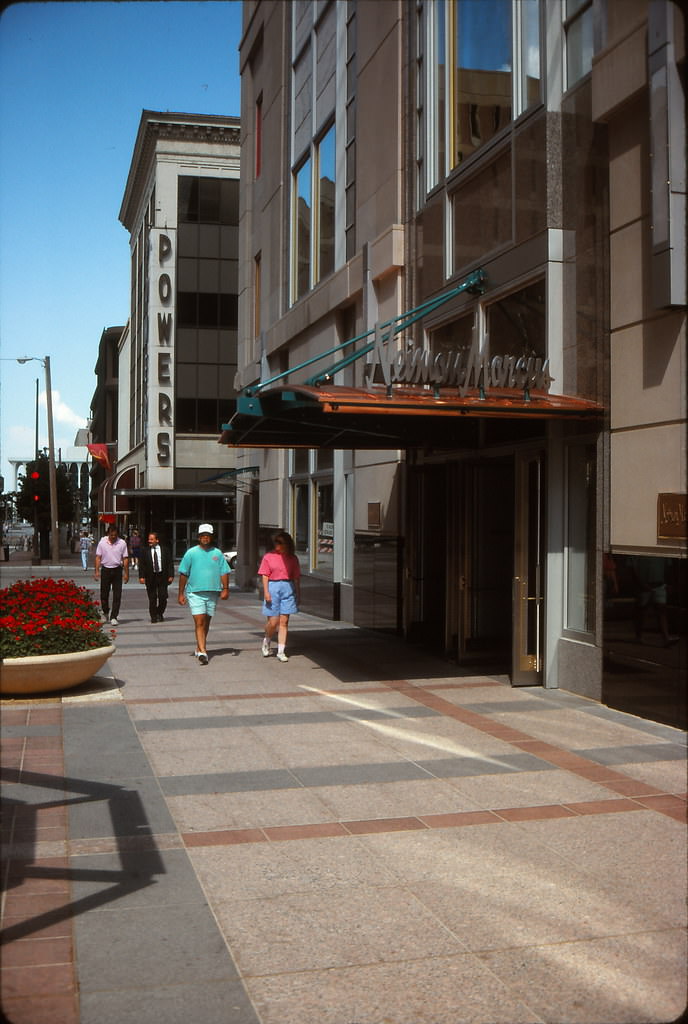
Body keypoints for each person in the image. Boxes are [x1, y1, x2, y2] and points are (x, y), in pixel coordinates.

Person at [177, 524, 230, 665]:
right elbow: (183, 573)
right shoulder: (191, 553)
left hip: (213, 592)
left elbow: (224, 571)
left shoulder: (217, 553)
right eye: (202, 535)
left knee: (206, 622)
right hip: (195, 592)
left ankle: (199, 647)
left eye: (208, 535)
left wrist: (226, 589)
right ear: (198, 537)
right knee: (199, 621)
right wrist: (180, 593)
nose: (205, 537)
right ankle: (203, 651)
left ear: (211, 537)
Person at [258, 530, 301, 662]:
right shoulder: (269, 557)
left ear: (287, 544)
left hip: (288, 588)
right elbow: (265, 575)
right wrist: (266, 592)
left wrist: (298, 594)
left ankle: (281, 651)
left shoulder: (293, 559)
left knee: (284, 621)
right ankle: (267, 639)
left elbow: (296, 578)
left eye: (280, 542)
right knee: (273, 621)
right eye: (276, 542)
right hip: (273, 587)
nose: (277, 545)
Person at [630, 555, 678, 647]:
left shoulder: (662, 550)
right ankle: (638, 636)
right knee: (641, 611)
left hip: (659, 584)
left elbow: (668, 566)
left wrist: (668, 583)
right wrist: (640, 583)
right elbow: (633, 568)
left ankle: (666, 638)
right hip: (643, 586)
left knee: (661, 610)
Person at [94, 523, 129, 625]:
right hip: (106, 570)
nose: (113, 537)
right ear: (108, 534)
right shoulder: (102, 542)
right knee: (104, 594)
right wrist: (96, 571)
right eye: (111, 535)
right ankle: (105, 613)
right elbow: (98, 557)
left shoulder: (122, 543)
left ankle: (114, 616)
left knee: (117, 595)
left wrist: (126, 573)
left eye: (115, 535)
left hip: (117, 570)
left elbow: (125, 558)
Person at [138, 531, 174, 623]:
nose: (149, 541)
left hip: (162, 576)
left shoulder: (165, 550)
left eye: (152, 539)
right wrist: (141, 576)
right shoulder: (145, 551)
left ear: (157, 540)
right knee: (152, 598)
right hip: (150, 577)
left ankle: (159, 613)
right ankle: (153, 616)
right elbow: (142, 565)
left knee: (163, 597)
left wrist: (171, 575)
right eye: (149, 539)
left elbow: (170, 563)